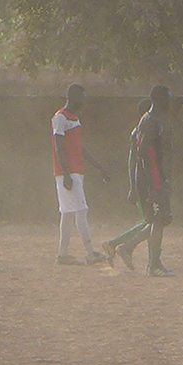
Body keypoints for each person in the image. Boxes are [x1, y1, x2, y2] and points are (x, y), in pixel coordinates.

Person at [103, 86, 173, 277]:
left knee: (155, 220)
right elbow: (142, 155)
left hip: (151, 179)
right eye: (168, 99)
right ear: (159, 100)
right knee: (160, 218)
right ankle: (153, 264)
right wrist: (151, 184)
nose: (170, 103)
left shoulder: (148, 122)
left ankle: (128, 248)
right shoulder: (151, 123)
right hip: (152, 180)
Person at [52, 83, 112, 265]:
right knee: (81, 210)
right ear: (73, 97)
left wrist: (98, 166)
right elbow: (58, 146)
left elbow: (79, 148)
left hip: (74, 170)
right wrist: (66, 173)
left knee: (68, 213)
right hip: (68, 172)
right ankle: (89, 252)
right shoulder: (60, 118)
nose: (84, 101)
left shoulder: (74, 118)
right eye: (82, 97)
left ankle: (62, 254)